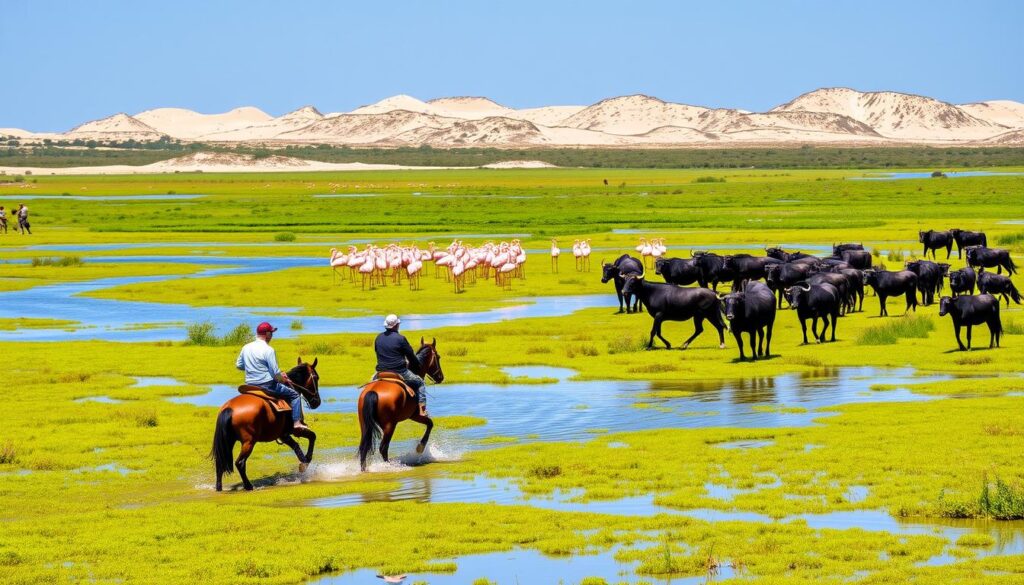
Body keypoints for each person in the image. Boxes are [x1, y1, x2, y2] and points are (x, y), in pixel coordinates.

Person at [235, 321, 309, 431]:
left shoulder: (246, 347)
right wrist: (283, 379)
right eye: (271, 333)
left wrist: (254, 367)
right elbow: (275, 375)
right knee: (294, 395)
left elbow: (239, 365)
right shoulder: (269, 350)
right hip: (267, 385)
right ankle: (297, 422)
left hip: (250, 384)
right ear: (267, 334)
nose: (272, 336)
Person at [374, 314, 427, 416]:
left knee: (371, 385)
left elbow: (378, 353)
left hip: (381, 372)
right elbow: (411, 356)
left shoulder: (378, 338)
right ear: (396, 325)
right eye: (398, 323)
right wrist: (416, 364)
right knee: (420, 383)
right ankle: (422, 410)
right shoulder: (401, 338)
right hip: (400, 372)